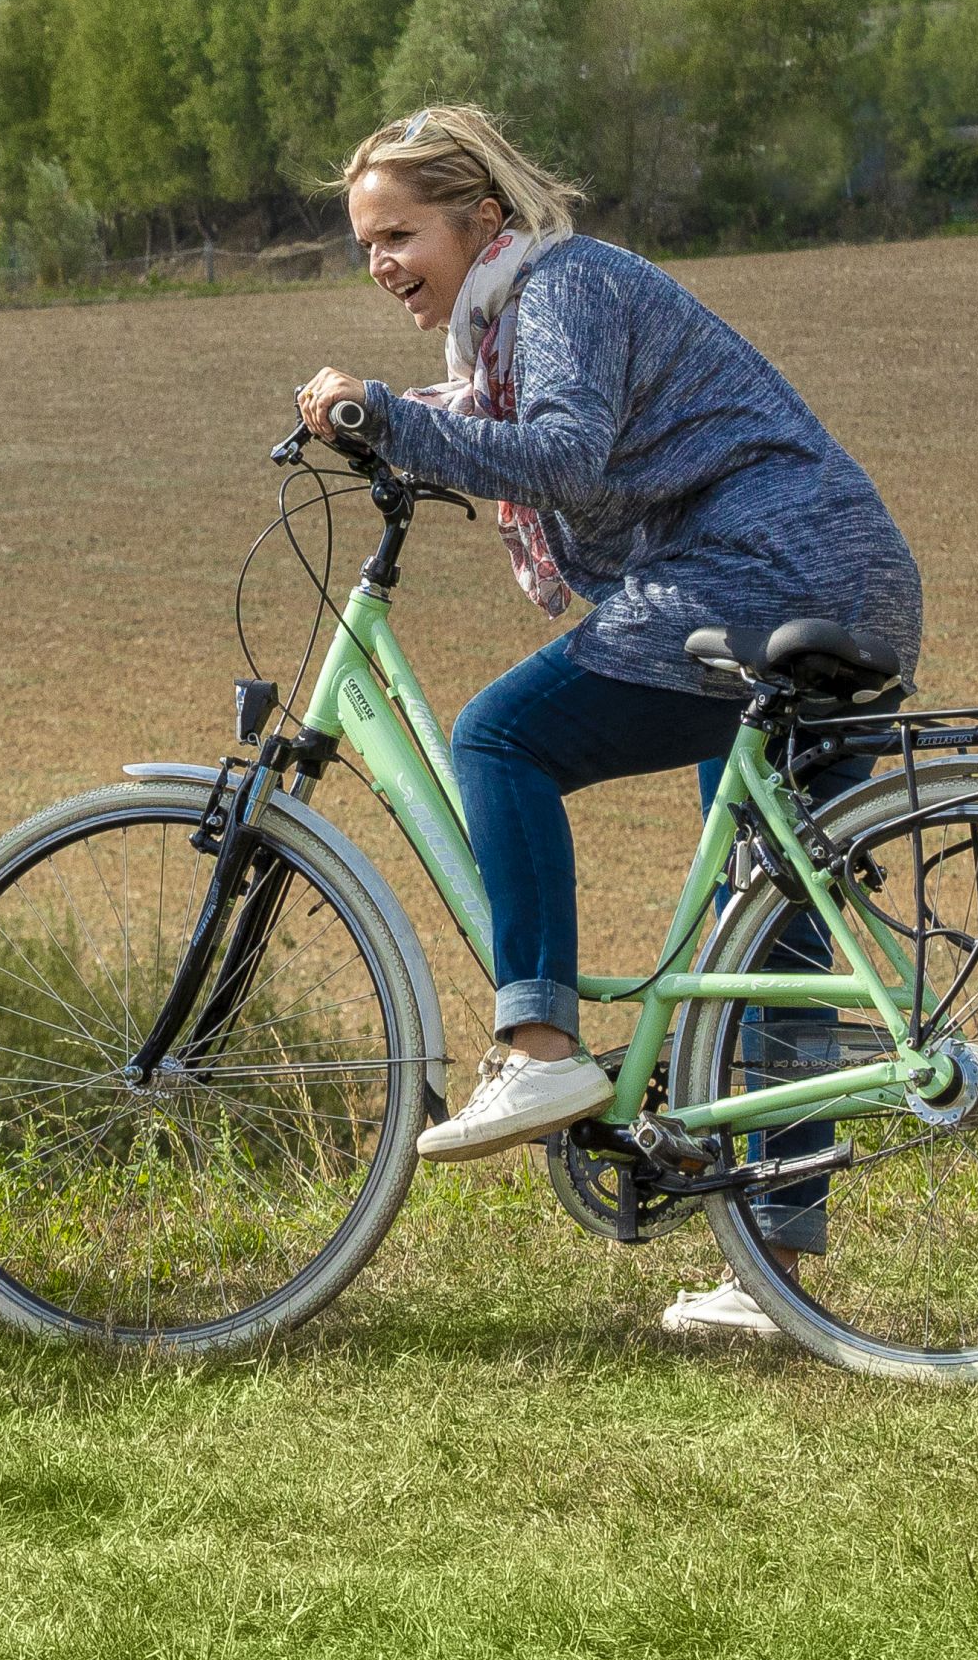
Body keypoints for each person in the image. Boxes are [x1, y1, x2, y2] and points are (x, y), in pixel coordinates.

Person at [294, 102, 919, 1346]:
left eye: (396, 233)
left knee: (499, 739)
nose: (377, 263)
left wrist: (390, 418)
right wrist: (402, 427)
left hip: (759, 572)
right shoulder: (510, 330)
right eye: (362, 244)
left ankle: (536, 1041)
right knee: (766, 934)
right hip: (840, 576)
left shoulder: (565, 287)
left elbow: (567, 455)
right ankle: (772, 1273)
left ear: (480, 218)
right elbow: (527, 435)